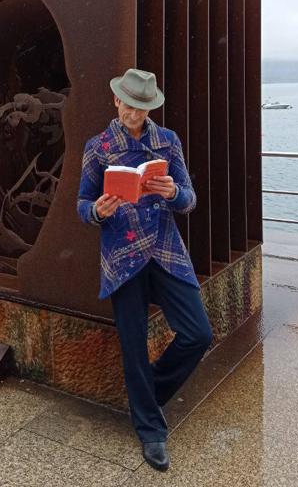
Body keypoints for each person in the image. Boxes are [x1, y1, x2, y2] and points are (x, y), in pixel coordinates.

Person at [77, 68, 213, 472]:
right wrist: (96, 211)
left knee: (197, 333)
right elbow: (81, 203)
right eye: (128, 104)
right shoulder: (98, 147)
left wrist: (173, 192)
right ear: (116, 100)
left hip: (165, 251)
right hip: (122, 254)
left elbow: (189, 200)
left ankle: (146, 393)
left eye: (142, 107)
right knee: (133, 344)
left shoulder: (167, 142)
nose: (134, 114)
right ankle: (151, 429)